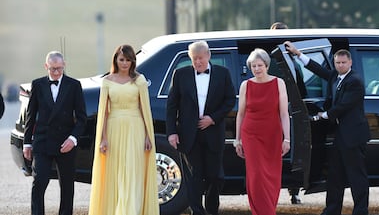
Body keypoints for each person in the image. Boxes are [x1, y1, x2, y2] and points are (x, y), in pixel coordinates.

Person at [285, 41, 370, 215]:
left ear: (350, 62)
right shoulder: (335, 76)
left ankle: (361, 211)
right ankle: (332, 210)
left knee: (356, 177)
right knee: (335, 175)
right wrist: (297, 53)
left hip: (353, 137)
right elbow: (316, 68)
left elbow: (343, 106)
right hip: (341, 136)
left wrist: (322, 115)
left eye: (343, 63)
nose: (340, 65)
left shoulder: (355, 81)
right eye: (337, 63)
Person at [166, 40, 236, 215]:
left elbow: (230, 100)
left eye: (200, 58)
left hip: (213, 133)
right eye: (194, 59)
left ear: (208, 56)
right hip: (188, 134)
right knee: (194, 177)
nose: (197, 62)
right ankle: (197, 212)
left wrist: (213, 118)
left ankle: (212, 210)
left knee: (216, 176)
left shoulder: (223, 73)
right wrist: (172, 133)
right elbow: (171, 105)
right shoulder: (180, 74)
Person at [88, 45, 159, 215]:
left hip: (136, 129)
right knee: (115, 172)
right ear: (116, 60)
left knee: (133, 171)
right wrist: (103, 138)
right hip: (113, 129)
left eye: (128, 60)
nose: (125, 63)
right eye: (122, 59)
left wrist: (149, 136)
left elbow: (145, 109)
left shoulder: (139, 80)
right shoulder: (107, 81)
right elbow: (104, 112)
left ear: (133, 61)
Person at [23, 51, 87, 215]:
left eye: (59, 68)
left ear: (64, 65)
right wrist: (27, 143)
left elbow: (81, 118)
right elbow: (31, 117)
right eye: (52, 69)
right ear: (46, 67)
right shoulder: (37, 84)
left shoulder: (74, 85)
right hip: (42, 141)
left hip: (65, 142)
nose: (56, 72)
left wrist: (73, 139)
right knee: (39, 181)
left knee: (67, 185)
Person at [234, 48, 291, 215]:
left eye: (260, 65)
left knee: (271, 176)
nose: (257, 69)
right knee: (256, 175)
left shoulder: (279, 83)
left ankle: (268, 209)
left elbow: (284, 114)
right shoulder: (246, 85)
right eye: (253, 66)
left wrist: (286, 138)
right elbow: (241, 113)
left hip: (272, 134)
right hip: (250, 134)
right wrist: (237, 139)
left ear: (266, 65)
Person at [270, 21, 303, 204]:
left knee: (294, 149)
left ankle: (294, 189)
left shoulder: (291, 58)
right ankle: (290, 189)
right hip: (276, 110)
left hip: (292, 108)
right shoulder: (272, 59)